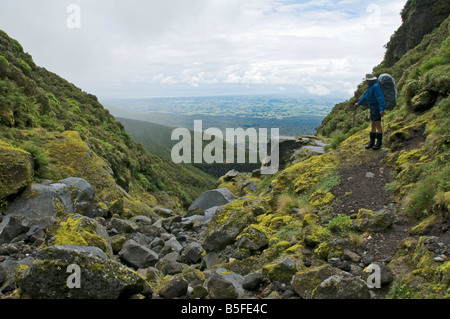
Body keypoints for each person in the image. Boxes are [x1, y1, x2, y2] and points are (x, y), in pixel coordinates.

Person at [354, 73, 386, 150]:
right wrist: (359, 103)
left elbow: (380, 98)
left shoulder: (375, 87)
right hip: (372, 108)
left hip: (376, 108)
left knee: (378, 124)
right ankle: (372, 142)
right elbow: (365, 97)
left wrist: (381, 109)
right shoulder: (371, 87)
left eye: (367, 80)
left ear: (369, 80)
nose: (366, 81)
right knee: (373, 124)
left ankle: (378, 143)